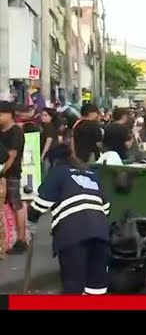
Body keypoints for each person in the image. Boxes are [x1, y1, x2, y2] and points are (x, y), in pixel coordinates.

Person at [28, 144, 110, 294]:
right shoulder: (90, 174)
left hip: (72, 234)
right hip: (100, 232)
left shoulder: (57, 173)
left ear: (54, 161)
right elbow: (106, 207)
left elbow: (41, 204)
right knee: (96, 285)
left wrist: (30, 221)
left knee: (73, 285)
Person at [0, 101, 27, 254]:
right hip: (4, 174)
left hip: (12, 174)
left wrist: (2, 172)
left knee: (16, 204)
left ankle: (21, 239)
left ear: (9, 114)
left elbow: (12, 156)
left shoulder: (16, 132)